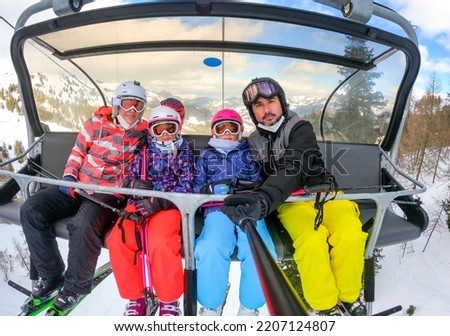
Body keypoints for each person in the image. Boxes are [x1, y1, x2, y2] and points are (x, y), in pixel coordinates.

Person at [220, 77, 368, 316]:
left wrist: (265, 198)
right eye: (258, 106)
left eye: (271, 101)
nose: (267, 110)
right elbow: (249, 173)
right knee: (310, 240)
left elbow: (296, 164)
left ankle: (349, 297)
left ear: (282, 103)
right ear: (252, 112)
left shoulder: (300, 129)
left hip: (325, 193)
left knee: (350, 233)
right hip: (291, 202)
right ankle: (325, 306)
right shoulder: (253, 143)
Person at [20, 80, 149, 313]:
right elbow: (77, 153)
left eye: (138, 106)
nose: (132, 111)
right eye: (127, 104)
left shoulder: (144, 132)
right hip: (78, 187)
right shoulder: (95, 124)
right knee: (32, 209)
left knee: (82, 224)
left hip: (107, 194)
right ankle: (50, 275)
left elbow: (166, 133)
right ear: (117, 104)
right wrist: (69, 176)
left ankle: (75, 287)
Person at [106, 104, 194, 316]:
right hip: (139, 204)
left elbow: (188, 184)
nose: (164, 135)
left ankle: (168, 299)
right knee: (118, 240)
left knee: (161, 242)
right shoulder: (144, 153)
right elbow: (130, 179)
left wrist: (159, 199)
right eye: (159, 130)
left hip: (168, 206)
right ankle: (136, 297)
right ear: (151, 131)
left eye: (170, 129)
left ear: (178, 129)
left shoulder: (184, 153)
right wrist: (133, 187)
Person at [194, 109, 276, 316]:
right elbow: (195, 186)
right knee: (212, 246)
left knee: (259, 248)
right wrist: (210, 191)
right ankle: (211, 304)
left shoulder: (247, 152)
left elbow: (259, 180)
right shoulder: (206, 154)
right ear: (214, 132)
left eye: (233, 128)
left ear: (240, 131)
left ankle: (250, 306)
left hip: (247, 206)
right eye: (222, 128)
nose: (228, 133)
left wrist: (249, 189)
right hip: (217, 208)